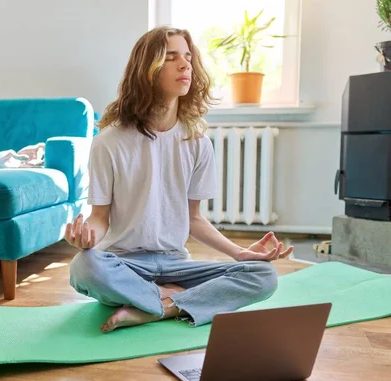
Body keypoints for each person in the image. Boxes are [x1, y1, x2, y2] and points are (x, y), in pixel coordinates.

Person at [66, 26, 293, 334]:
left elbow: (194, 219)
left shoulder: (197, 142)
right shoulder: (109, 142)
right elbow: (100, 218)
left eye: (187, 56)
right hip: (124, 264)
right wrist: (86, 237)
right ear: (146, 70)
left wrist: (239, 253)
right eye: (171, 57)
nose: (185, 64)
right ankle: (177, 300)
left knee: (263, 275)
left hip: (176, 263)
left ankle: (158, 306)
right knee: (83, 268)